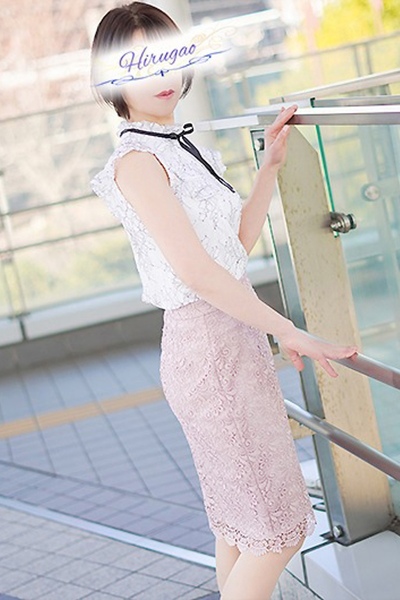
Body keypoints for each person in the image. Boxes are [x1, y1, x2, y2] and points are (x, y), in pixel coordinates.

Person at [90, 3, 357, 599]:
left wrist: (268, 170)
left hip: (231, 339)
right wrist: (288, 329)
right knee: (276, 531)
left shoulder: (177, 146)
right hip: (208, 348)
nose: (161, 76)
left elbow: (231, 249)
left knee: (242, 527)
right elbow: (195, 272)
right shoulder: (138, 160)